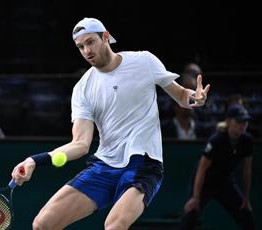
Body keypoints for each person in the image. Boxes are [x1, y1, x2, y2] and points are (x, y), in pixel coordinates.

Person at [11, 17, 210, 230]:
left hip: (143, 165)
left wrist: (194, 98)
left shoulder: (144, 61)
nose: (86, 51)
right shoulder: (83, 88)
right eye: (80, 46)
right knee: (43, 224)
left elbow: (180, 95)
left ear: (105, 37)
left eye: (90, 42)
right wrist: (34, 160)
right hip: (104, 167)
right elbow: (80, 144)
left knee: (114, 226)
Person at [178, 104, 256, 230]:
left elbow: (247, 169)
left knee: (246, 215)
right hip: (204, 182)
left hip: (225, 182)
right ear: (229, 121)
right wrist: (196, 198)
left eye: (245, 122)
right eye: (239, 121)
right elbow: (201, 170)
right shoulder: (216, 140)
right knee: (190, 215)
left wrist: (246, 198)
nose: (243, 125)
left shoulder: (247, 141)